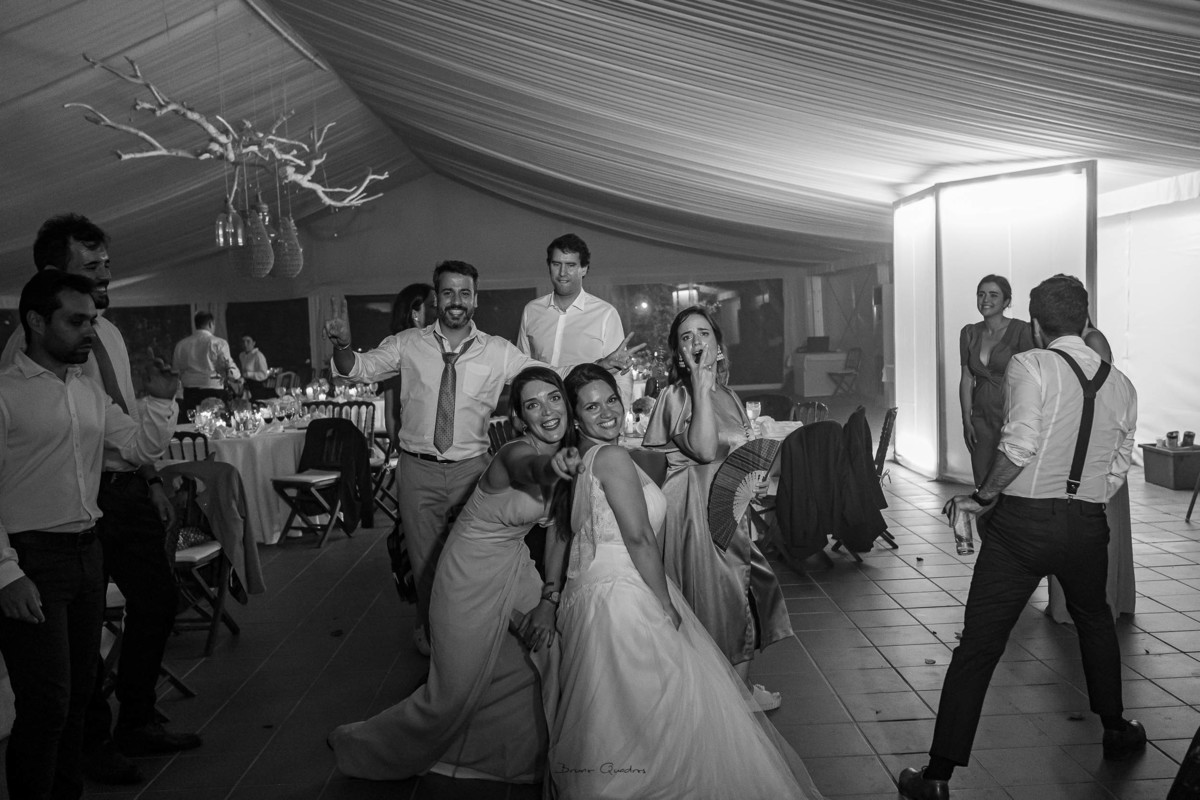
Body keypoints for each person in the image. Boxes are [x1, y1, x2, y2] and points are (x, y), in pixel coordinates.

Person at [898, 276, 1144, 800]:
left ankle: (937, 776)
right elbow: (1119, 465)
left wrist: (981, 496)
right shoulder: (1122, 384)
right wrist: (1084, 497)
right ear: (1085, 320)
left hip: (1022, 528)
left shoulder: (1030, 364)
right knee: (1095, 622)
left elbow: (1020, 444)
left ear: (1034, 324)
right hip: (1086, 524)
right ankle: (1116, 730)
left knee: (980, 645)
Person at [324, 261, 639, 657]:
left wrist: (599, 367)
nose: (456, 301)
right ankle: (440, 644)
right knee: (425, 566)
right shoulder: (408, 343)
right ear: (437, 299)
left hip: (472, 472)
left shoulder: (497, 351)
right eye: (448, 292)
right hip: (417, 470)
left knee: (475, 563)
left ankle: (485, 635)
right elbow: (359, 369)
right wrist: (342, 347)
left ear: (475, 299)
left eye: (465, 293)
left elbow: (547, 373)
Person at [545, 363, 822, 799]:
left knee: (617, 719)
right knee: (663, 713)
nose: (608, 412)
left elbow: (563, 533)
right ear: (576, 418)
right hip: (625, 600)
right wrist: (664, 603)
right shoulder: (612, 458)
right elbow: (639, 538)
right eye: (592, 407)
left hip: (592, 596)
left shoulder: (583, 458)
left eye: (611, 400)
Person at [0, 214, 202, 785]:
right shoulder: (15, 375)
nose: (105, 275)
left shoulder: (93, 361)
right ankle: (81, 753)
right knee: (51, 695)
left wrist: (160, 415)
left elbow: (129, 435)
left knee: (138, 620)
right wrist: (5, 570)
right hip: (40, 542)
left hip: (101, 518)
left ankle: (124, 729)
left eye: (106, 264)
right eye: (90, 267)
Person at [329, 367, 577, 782]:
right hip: (467, 576)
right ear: (519, 419)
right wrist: (554, 468)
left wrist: (549, 600)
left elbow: (557, 533)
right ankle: (361, 747)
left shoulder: (571, 452)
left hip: (514, 564)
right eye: (533, 405)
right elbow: (532, 470)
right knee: (450, 695)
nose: (547, 411)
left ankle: (516, 753)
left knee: (547, 653)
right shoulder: (513, 455)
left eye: (553, 398)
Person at [641, 306, 793, 710]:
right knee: (717, 599)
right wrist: (699, 384)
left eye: (704, 333)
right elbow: (706, 450)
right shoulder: (676, 396)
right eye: (686, 337)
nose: (696, 342)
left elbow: (739, 452)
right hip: (694, 510)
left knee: (742, 593)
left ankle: (738, 691)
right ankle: (724, 700)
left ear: (719, 346)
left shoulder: (729, 395)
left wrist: (756, 484)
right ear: (678, 353)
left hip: (728, 509)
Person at [1045, 277, 1135, 621]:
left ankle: (1095, 602)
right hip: (1075, 444)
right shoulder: (1062, 342)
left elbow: (1102, 394)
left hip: (1095, 449)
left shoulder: (1092, 339)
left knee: (1096, 530)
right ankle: (1067, 605)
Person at [516, 233, 634, 410]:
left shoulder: (605, 314)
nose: (562, 273)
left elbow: (620, 375)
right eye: (556, 264)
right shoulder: (532, 311)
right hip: (544, 413)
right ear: (549, 266)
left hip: (588, 413)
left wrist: (620, 414)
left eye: (570, 265)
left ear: (584, 269)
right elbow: (520, 368)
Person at [959, 274, 1036, 487]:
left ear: (1006, 301)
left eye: (993, 295)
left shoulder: (1022, 330)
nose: (986, 300)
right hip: (980, 418)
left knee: (1009, 481)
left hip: (1011, 416)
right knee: (983, 480)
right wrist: (966, 420)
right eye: (981, 294)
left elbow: (1033, 377)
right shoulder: (969, 332)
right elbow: (966, 378)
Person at [380, 282, 435, 453]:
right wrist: (404, 453)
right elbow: (392, 411)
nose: (440, 310)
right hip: (418, 451)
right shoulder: (401, 350)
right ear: (415, 314)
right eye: (432, 306)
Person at [173, 311, 240, 421]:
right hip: (214, 393)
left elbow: (176, 371)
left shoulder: (181, 345)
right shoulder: (218, 343)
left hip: (190, 394)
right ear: (210, 324)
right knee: (217, 425)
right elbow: (229, 369)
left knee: (192, 424)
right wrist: (237, 376)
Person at [237, 335, 271, 400]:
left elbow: (263, 374)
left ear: (254, 343)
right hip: (245, 387)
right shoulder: (242, 355)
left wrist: (248, 374)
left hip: (256, 387)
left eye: (248, 341)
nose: (245, 344)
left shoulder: (258, 355)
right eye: (243, 341)